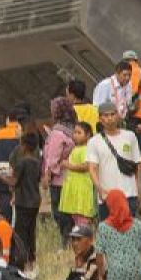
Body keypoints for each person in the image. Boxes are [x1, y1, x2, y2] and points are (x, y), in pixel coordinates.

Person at [86, 103, 141, 217]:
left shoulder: (130, 136)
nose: (110, 118)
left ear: (118, 115)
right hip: (107, 196)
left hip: (129, 193)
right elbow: (92, 168)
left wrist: (138, 190)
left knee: (129, 231)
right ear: (100, 118)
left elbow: (137, 166)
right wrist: (100, 190)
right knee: (108, 232)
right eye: (106, 115)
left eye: (112, 114)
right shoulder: (94, 141)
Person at [42, 97, 77, 242]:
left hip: (58, 180)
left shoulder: (57, 133)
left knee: (60, 213)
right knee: (70, 212)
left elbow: (52, 158)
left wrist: (47, 176)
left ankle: (66, 241)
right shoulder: (73, 129)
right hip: (72, 177)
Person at [6, 132, 41, 273]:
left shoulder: (22, 162)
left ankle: (22, 262)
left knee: (20, 234)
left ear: (24, 146)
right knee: (30, 232)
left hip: (23, 202)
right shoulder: (37, 162)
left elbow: (13, 181)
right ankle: (32, 260)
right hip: (34, 201)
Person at [58, 121, 97, 227]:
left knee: (82, 218)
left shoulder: (86, 149)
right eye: (74, 132)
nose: (75, 135)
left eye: (79, 133)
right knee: (76, 217)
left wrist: (69, 165)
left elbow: (86, 166)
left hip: (82, 188)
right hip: (75, 188)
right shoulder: (76, 148)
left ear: (88, 135)